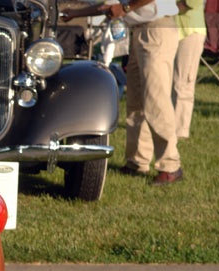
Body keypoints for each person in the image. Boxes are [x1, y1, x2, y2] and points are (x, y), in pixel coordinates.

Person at [63, 0, 184, 185]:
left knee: (156, 100)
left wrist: (126, 8)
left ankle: (170, 165)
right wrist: (74, 13)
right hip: (140, 31)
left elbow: (121, 6)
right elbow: (108, 5)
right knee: (135, 102)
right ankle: (137, 160)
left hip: (157, 29)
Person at [172, 0, 207, 138]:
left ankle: (179, 130)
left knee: (182, 83)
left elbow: (192, 3)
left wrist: (162, 11)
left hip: (189, 31)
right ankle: (168, 126)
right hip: (172, 30)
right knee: (170, 82)